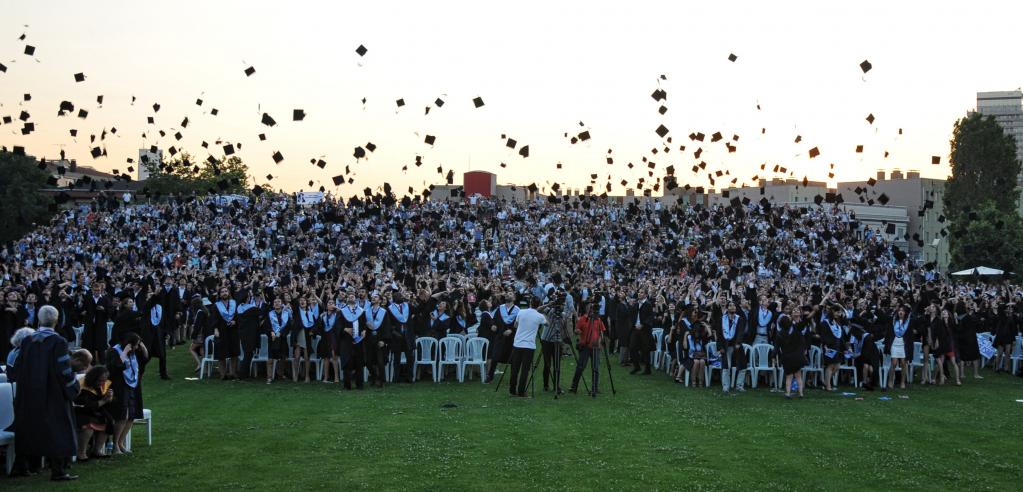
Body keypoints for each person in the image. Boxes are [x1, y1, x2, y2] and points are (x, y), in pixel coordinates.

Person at [9, 305, 80, 481]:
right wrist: (73, 388)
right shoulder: (58, 342)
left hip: (28, 393)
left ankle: (22, 466)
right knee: (58, 429)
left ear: (39, 320)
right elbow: (64, 371)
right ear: (56, 321)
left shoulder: (27, 341)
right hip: (52, 393)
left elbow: (18, 367)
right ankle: (58, 471)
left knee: (29, 428)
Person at [106, 332, 148, 454]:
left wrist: (141, 344)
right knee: (122, 416)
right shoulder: (114, 351)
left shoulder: (133, 352)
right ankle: (115, 445)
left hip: (132, 386)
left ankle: (121, 442)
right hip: (119, 386)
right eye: (136, 345)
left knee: (131, 416)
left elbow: (145, 358)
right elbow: (115, 367)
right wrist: (124, 352)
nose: (137, 348)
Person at [73, 365, 114, 461]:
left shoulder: (103, 385)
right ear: (93, 378)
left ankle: (97, 450)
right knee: (88, 427)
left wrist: (109, 398)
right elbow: (83, 405)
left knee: (108, 422)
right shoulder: (82, 385)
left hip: (95, 412)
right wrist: (103, 401)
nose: (102, 383)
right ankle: (81, 453)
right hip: (80, 412)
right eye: (100, 381)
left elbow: (108, 403)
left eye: (104, 380)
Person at [508, 297, 547, 397]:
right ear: (539, 305)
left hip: (517, 343)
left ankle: (512, 389)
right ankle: (521, 391)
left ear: (530, 302)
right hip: (529, 346)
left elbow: (516, 325)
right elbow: (547, 324)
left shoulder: (521, 312)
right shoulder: (540, 316)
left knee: (515, 368)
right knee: (525, 369)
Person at [211, 287, 240, 380]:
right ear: (219, 294)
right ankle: (222, 374)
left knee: (234, 353)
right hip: (221, 331)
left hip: (233, 330)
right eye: (222, 292)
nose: (224, 293)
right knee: (221, 353)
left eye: (226, 291)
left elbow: (238, 316)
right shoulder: (216, 305)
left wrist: (235, 321)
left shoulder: (234, 303)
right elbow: (214, 318)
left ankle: (233, 373)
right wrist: (215, 329)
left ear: (229, 293)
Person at [884, 305, 914, 390]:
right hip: (894, 344)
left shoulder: (908, 322)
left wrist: (910, 308)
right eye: (899, 310)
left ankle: (902, 382)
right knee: (893, 363)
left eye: (903, 311)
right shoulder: (893, 321)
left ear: (905, 313)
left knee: (904, 364)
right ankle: (890, 381)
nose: (901, 312)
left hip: (903, 345)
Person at [267, 297, 292, 384]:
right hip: (272, 338)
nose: (277, 303)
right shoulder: (269, 314)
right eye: (275, 302)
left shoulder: (286, 314)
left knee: (283, 357)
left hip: (282, 338)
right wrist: (271, 332)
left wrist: (280, 333)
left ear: (282, 304)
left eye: (278, 302)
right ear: (273, 305)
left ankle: (280, 374)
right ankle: (269, 377)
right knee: (270, 358)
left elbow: (288, 327)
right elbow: (267, 325)